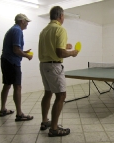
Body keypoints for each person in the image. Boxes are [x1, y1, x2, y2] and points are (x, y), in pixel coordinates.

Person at [38, 6, 78, 137]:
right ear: (60, 16)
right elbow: (59, 53)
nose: (64, 18)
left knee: (48, 93)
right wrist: (72, 52)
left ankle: (45, 122)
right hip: (54, 66)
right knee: (61, 96)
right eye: (64, 16)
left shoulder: (44, 30)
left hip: (44, 65)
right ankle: (54, 129)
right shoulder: (60, 29)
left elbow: (51, 46)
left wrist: (65, 46)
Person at [0, 14, 34, 121]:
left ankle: (3, 109)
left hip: (6, 60)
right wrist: (27, 55)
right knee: (17, 87)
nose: (27, 23)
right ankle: (19, 114)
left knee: (7, 85)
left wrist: (23, 52)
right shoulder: (17, 30)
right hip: (12, 62)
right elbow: (15, 50)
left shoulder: (13, 29)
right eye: (26, 21)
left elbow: (14, 49)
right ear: (22, 21)